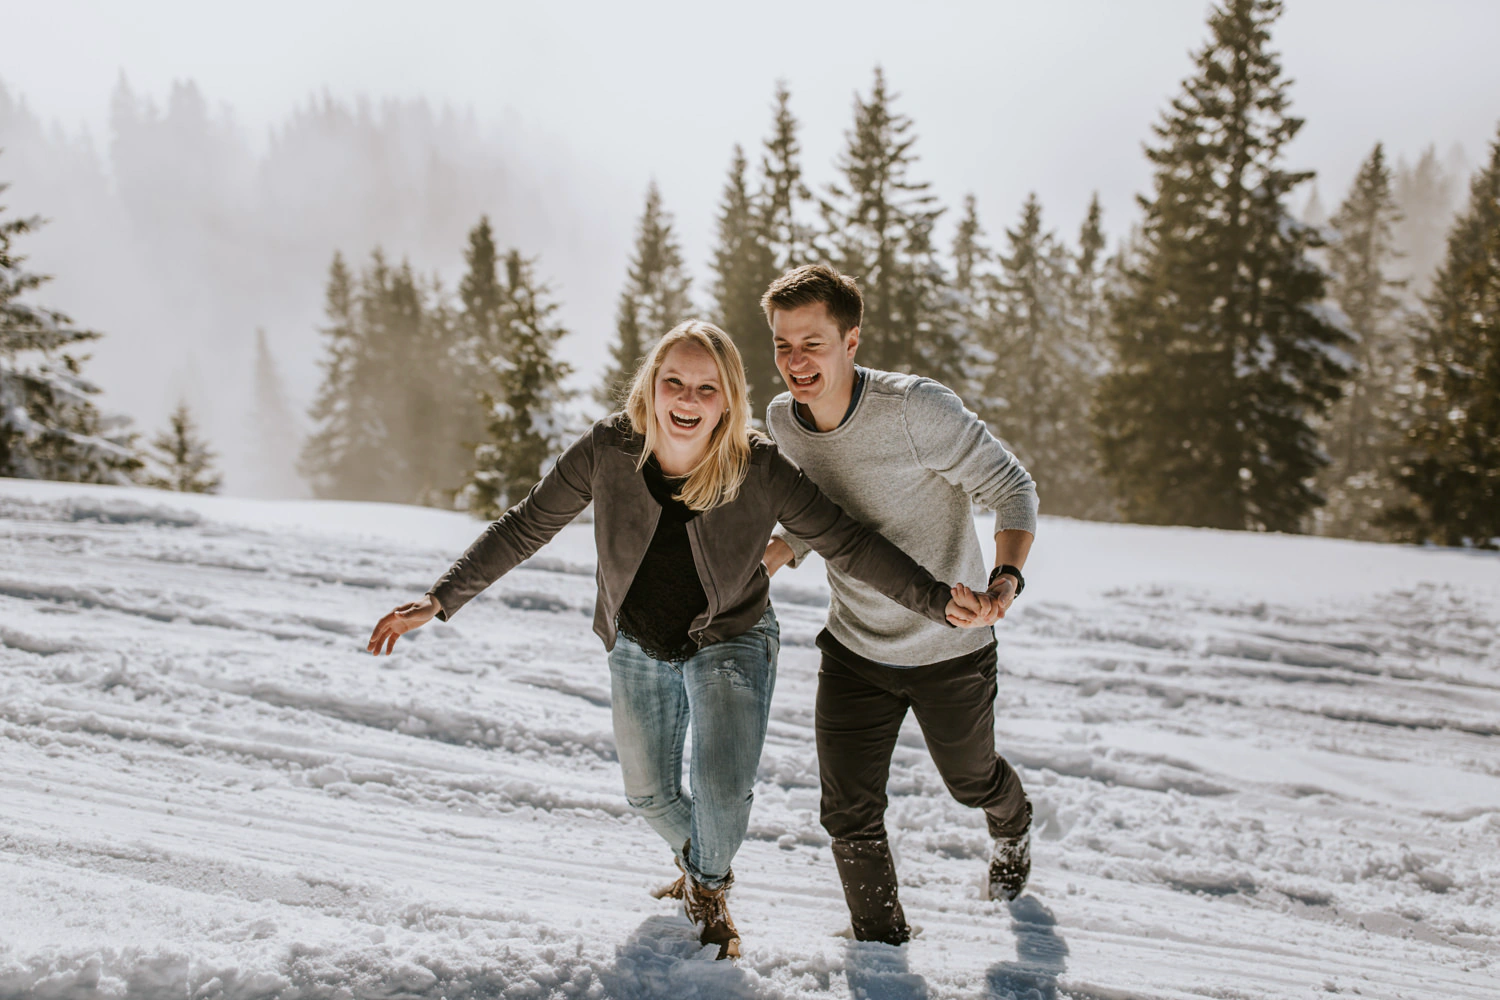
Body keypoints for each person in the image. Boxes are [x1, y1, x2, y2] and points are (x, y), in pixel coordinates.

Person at [367, 320, 995, 960]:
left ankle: (706, 888)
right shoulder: (609, 449)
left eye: (707, 388)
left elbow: (848, 543)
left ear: (729, 401)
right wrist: (442, 597)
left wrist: (937, 598)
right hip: (636, 638)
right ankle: (703, 868)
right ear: (652, 386)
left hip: (732, 636)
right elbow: (528, 523)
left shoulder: (759, 467)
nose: (688, 400)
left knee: (723, 791)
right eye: (675, 383)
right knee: (648, 794)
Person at [760, 264, 1038, 946]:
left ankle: (1013, 826)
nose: (796, 362)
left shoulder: (917, 410)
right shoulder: (780, 424)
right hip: (855, 649)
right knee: (847, 811)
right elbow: (812, 516)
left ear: (851, 342)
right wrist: (766, 559)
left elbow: (1013, 487)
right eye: (781, 344)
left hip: (951, 651)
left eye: (812, 343)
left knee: (971, 782)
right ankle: (881, 946)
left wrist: (1004, 581)